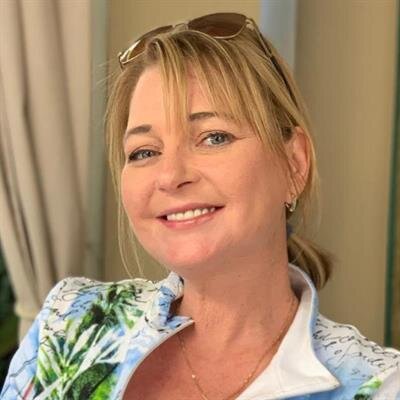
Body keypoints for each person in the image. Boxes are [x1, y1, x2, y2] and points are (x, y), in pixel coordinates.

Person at [1, 12, 399, 400]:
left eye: (214, 137)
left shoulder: (377, 385)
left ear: (293, 164)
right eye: (144, 151)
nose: (170, 176)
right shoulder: (70, 322)